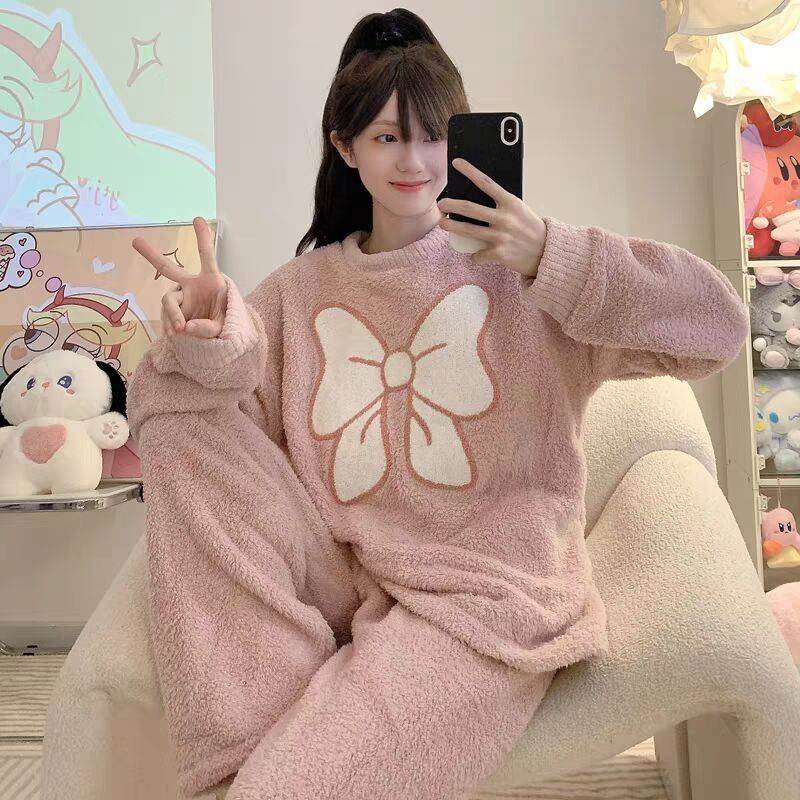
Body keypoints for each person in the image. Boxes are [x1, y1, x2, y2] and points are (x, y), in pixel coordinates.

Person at [127, 8, 750, 800]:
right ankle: (240, 739)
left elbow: (717, 329)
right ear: (345, 147)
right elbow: (213, 426)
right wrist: (214, 335)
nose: (413, 160)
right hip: (343, 577)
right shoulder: (297, 292)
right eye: (387, 137)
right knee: (182, 409)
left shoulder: (529, 276)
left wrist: (553, 256)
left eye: (432, 135)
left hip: (482, 605)